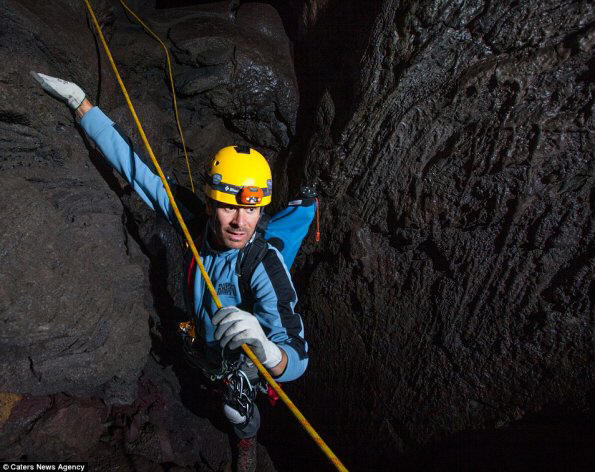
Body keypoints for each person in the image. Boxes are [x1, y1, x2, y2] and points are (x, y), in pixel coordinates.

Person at [31, 72, 308, 472]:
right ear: (211, 203)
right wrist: (81, 105)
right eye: (230, 207)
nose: (239, 223)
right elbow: (137, 170)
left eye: (251, 210)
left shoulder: (263, 264)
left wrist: (268, 350)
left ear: (261, 210)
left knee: (237, 413)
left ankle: (246, 442)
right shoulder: (193, 220)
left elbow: (298, 356)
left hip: (240, 360)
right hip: (204, 336)